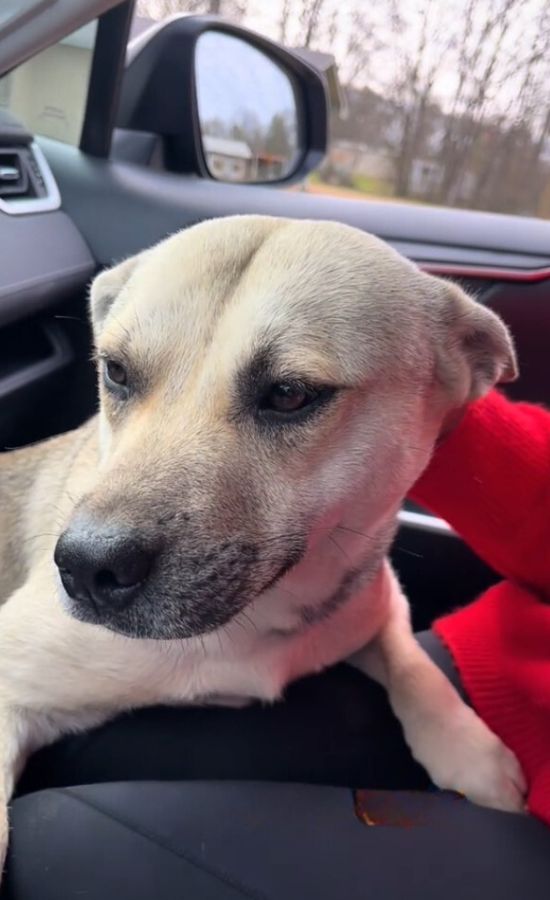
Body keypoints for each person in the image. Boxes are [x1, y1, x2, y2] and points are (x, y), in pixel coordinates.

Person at [4, 388, 550, 899]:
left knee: (53, 840)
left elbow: (376, 606)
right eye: (122, 376)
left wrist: (421, 694)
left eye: (286, 396)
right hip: (506, 664)